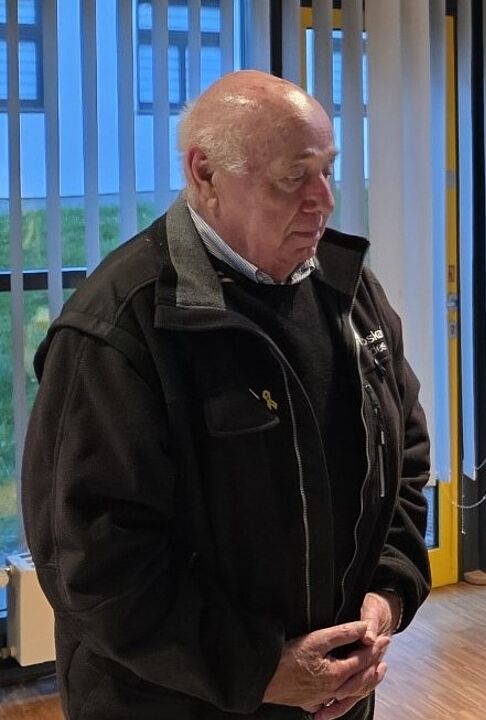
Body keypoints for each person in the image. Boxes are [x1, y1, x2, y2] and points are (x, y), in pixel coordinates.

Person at [22, 70, 432, 720]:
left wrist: (385, 599)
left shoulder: (351, 293)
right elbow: (95, 566)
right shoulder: (121, 328)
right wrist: (263, 670)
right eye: (292, 177)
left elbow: (404, 460)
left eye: (328, 170)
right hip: (172, 704)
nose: (323, 200)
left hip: (337, 694)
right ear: (205, 174)